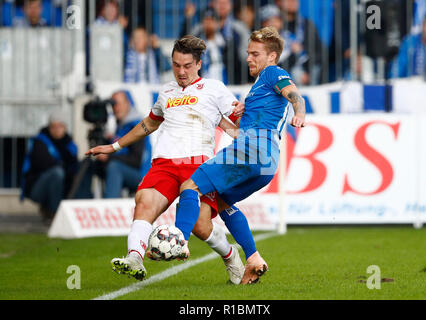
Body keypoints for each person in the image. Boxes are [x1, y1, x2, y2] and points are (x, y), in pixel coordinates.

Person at [85, 35, 262, 284]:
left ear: (199, 64)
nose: (181, 71)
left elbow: (238, 120)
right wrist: (114, 146)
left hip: (198, 166)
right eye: (176, 65)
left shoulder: (215, 88)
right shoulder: (166, 91)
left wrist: (248, 133)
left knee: (201, 226)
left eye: (187, 66)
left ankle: (231, 256)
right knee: (144, 201)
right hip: (165, 164)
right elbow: (149, 123)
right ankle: (134, 258)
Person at [173, 27, 306, 283]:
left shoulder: (272, 73)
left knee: (189, 185)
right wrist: (243, 110)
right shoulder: (260, 87)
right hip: (267, 164)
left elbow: (294, 95)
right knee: (222, 201)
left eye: (255, 54)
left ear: (272, 57)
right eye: (248, 53)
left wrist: (299, 113)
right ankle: (253, 257)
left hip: (251, 149)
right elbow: (269, 107)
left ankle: (177, 240)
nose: (248, 58)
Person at [77, 91, 150, 199]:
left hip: (141, 175)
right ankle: (82, 203)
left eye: (118, 104)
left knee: (114, 167)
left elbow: (136, 160)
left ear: (127, 104)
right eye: (113, 105)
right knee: (88, 164)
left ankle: (109, 205)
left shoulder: (137, 125)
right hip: (122, 169)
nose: (116, 108)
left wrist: (109, 156)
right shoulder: (120, 126)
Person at [20, 111, 78, 223]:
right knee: (57, 173)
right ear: (49, 127)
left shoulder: (69, 144)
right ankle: (54, 212)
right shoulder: (40, 142)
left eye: (60, 126)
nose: (57, 130)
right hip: (37, 188)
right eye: (53, 126)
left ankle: (71, 210)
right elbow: (43, 164)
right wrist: (62, 165)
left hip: (63, 187)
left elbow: (73, 166)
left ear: (65, 127)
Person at [390, 13, 426, 82]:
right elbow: (399, 65)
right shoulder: (410, 42)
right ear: (423, 26)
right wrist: (394, 82)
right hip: (414, 89)